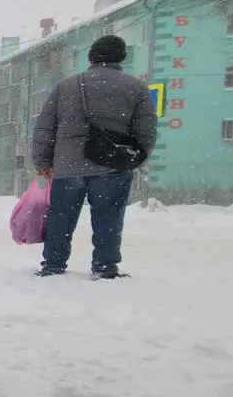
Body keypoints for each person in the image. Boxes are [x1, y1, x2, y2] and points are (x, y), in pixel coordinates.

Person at [31, 34, 159, 278]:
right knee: (109, 217)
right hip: (112, 164)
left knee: (61, 216)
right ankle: (105, 266)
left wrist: (43, 161)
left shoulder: (66, 86)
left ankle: (53, 265)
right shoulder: (135, 88)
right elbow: (147, 130)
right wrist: (136, 157)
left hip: (68, 164)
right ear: (121, 57)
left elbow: (45, 127)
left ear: (91, 57)